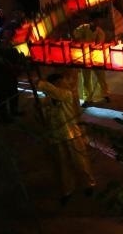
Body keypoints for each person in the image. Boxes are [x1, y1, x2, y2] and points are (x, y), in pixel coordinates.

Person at [36, 73, 96, 204]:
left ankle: (88, 183)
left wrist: (41, 83)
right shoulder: (47, 101)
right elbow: (45, 117)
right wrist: (41, 109)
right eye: (61, 82)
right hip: (57, 136)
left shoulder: (66, 94)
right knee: (63, 164)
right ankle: (68, 189)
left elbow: (57, 93)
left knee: (80, 161)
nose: (65, 84)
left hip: (72, 134)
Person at [74, 22, 110, 107]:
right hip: (84, 56)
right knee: (86, 78)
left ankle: (105, 94)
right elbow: (76, 34)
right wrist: (79, 39)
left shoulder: (100, 32)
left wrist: (96, 45)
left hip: (96, 56)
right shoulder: (83, 28)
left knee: (101, 76)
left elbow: (100, 43)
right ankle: (87, 98)